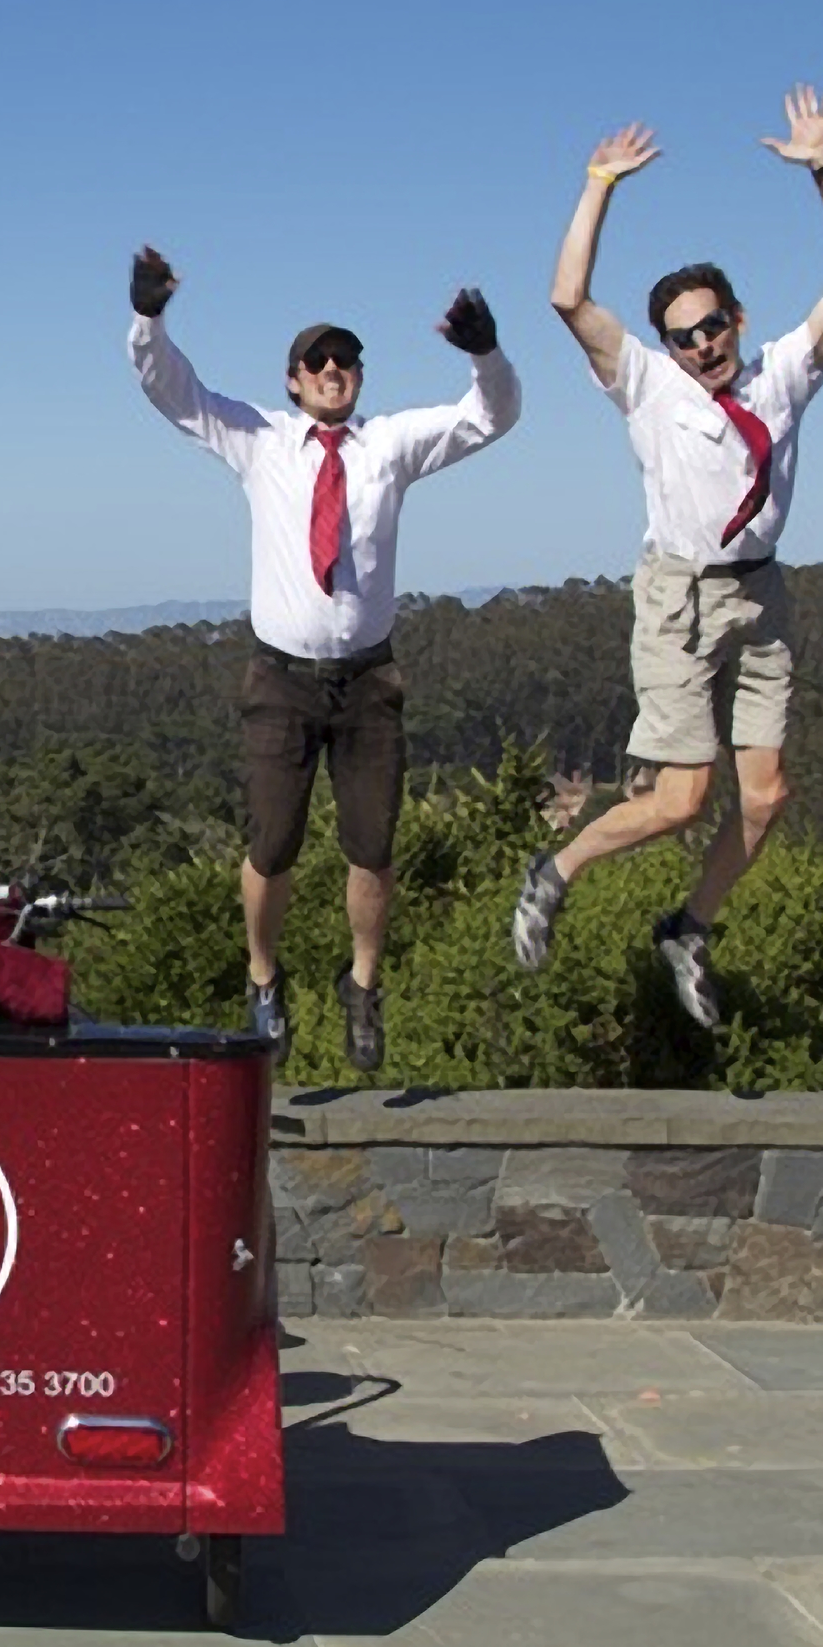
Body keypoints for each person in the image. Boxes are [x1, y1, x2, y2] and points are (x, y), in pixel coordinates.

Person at [511, 88, 823, 1027]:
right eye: (684, 335)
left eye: (713, 325)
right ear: (667, 347)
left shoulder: (783, 374)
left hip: (761, 598)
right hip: (678, 597)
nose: (702, 344)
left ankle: (689, 926)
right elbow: (567, 297)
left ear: (737, 320)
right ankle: (554, 870)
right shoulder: (646, 386)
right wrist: (598, 184)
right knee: (682, 802)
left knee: (766, 799)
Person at [130, 251, 520, 1071]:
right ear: (294, 380)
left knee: (372, 847)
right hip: (280, 680)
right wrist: (150, 317)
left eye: (346, 360)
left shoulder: (389, 447)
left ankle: (363, 987)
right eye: (319, 362)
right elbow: (172, 389)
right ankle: (264, 978)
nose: (334, 370)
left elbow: (490, 418)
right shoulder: (260, 442)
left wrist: (487, 354)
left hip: (369, 681)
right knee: (271, 844)